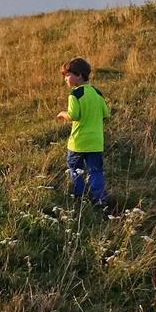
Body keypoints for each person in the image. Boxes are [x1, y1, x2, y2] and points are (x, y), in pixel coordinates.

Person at [55, 56, 110, 208]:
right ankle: (100, 200)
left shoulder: (75, 94)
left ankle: (79, 198)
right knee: (96, 172)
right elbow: (106, 113)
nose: (65, 79)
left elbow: (73, 115)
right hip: (96, 143)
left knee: (76, 170)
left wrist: (62, 114)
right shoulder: (97, 93)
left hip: (78, 142)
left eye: (67, 75)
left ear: (78, 75)